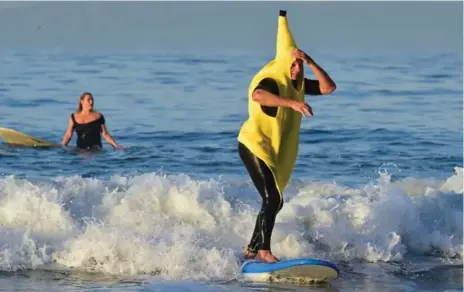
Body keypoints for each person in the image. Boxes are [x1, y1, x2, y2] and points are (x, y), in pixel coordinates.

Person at [237, 10, 336, 263]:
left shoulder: (299, 85)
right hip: (253, 144)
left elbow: (328, 87)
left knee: (275, 201)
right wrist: (291, 104)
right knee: (273, 197)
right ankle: (264, 252)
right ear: (283, 65)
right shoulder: (273, 81)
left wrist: (311, 61)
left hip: (272, 149)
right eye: (292, 64)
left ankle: (250, 249)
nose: (295, 69)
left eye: (299, 65)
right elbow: (258, 96)